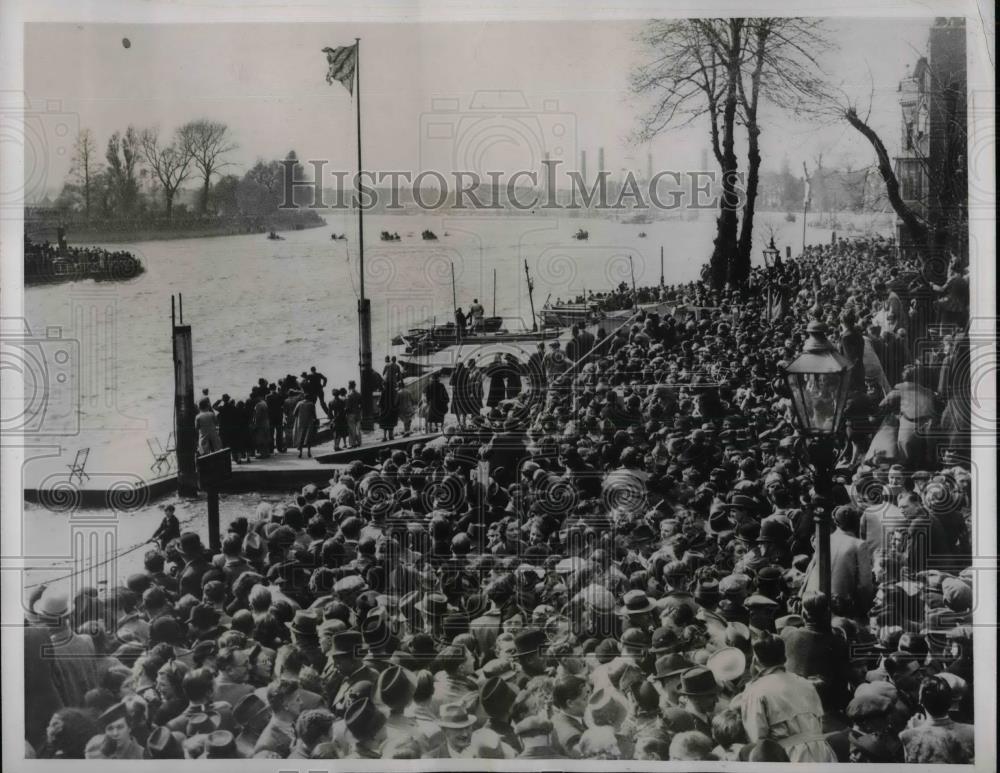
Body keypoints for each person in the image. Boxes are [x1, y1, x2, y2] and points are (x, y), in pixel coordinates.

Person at [292, 393, 318, 459]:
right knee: (308, 437)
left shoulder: (299, 403)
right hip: (309, 423)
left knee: (300, 437)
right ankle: (309, 452)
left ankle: (300, 453)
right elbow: (314, 415)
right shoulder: (311, 404)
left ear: (304, 398)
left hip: (300, 423)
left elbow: (294, 413)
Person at [345, 381, 362, 448]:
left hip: (351, 414)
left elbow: (347, 407)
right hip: (358, 413)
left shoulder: (349, 395)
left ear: (349, 386)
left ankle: (353, 443)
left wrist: (345, 413)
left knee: (352, 430)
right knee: (358, 429)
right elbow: (361, 404)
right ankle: (359, 442)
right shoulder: (358, 394)